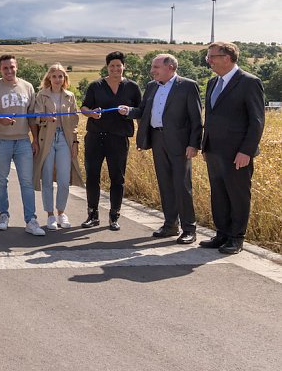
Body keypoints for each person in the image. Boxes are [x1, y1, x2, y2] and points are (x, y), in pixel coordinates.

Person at [118, 54, 202, 244]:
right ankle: (170, 225)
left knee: (182, 185)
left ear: (170, 67)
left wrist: (194, 144)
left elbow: (196, 118)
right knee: (165, 183)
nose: (152, 70)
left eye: (156, 67)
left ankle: (189, 229)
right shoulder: (151, 86)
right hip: (157, 139)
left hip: (180, 143)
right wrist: (129, 111)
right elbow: (143, 111)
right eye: (152, 67)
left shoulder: (188, 86)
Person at [199, 42, 265, 254]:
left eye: (212, 57)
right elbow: (210, 116)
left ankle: (236, 238)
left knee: (237, 195)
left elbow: (256, 121)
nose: (208, 60)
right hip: (214, 151)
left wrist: (246, 150)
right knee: (218, 194)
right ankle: (222, 234)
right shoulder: (212, 82)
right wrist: (206, 146)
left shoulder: (249, 82)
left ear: (226, 58)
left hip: (238, 153)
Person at [0, 55, 44, 236]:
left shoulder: (27, 87)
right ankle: (3, 215)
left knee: (26, 181)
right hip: (1, 141)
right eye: (5, 68)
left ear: (17, 67)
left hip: (23, 141)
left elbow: (32, 115)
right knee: (2, 180)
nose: (9, 71)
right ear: (0, 69)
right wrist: (0, 120)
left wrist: (35, 139)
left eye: (12, 67)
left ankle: (31, 220)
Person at [80, 51, 142, 231]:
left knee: (117, 178)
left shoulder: (132, 87)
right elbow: (84, 106)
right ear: (107, 67)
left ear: (124, 66)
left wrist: (129, 111)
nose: (115, 69)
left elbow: (140, 110)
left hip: (119, 139)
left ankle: (114, 216)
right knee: (92, 176)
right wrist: (91, 113)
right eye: (111, 66)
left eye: (118, 65)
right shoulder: (96, 86)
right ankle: (93, 215)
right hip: (95, 137)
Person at [32, 63, 83, 231]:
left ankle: (61, 213)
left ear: (64, 79)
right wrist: (46, 118)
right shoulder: (42, 95)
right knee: (47, 178)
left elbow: (75, 121)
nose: (57, 79)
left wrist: (75, 142)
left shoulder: (70, 96)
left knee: (63, 179)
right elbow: (36, 118)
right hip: (46, 138)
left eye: (60, 76)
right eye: (54, 76)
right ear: (49, 78)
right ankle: (50, 215)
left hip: (65, 139)